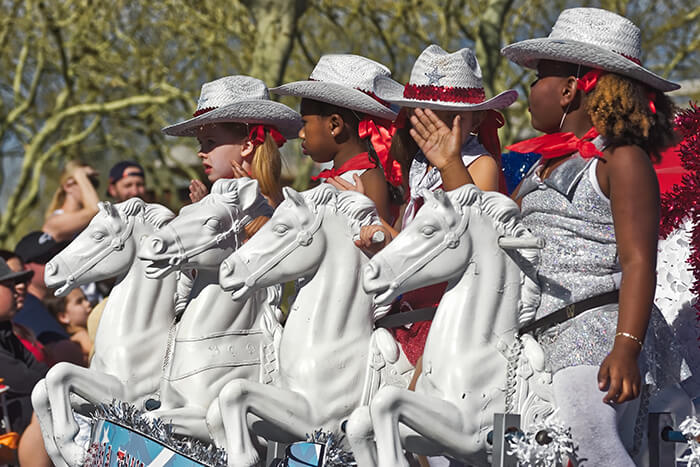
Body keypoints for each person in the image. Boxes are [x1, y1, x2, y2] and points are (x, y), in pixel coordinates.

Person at [411, 8, 688, 465]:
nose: (529, 90)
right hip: (531, 336)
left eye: (539, 76)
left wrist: (626, 347)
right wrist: (449, 165)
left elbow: (639, 261)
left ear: (570, 88)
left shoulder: (621, 159)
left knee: (589, 435)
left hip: (596, 332)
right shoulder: (540, 168)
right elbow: (488, 231)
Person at [270, 54, 404, 223]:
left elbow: (380, 245)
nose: (301, 134)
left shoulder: (369, 179)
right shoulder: (341, 177)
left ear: (334, 125)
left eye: (305, 123)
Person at [163, 75, 301, 213]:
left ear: (247, 146)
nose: (201, 153)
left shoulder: (269, 206)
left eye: (210, 142)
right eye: (201, 143)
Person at [0, 257, 47, 435]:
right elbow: (26, 381)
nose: (16, 292)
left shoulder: (4, 330)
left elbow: (41, 372)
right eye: (9, 286)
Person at [42, 160, 101, 243]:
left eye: (94, 183)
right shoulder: (54, 222)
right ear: (68, 186)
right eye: (86, 181)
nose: (91, 188)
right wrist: (79, 174)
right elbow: (95, 209)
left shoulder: (87, 221)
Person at [45, 288, 93, 366]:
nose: (88, 303)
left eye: (86, 298)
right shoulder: (81, 336)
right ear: (63, 317)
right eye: (79, 302)